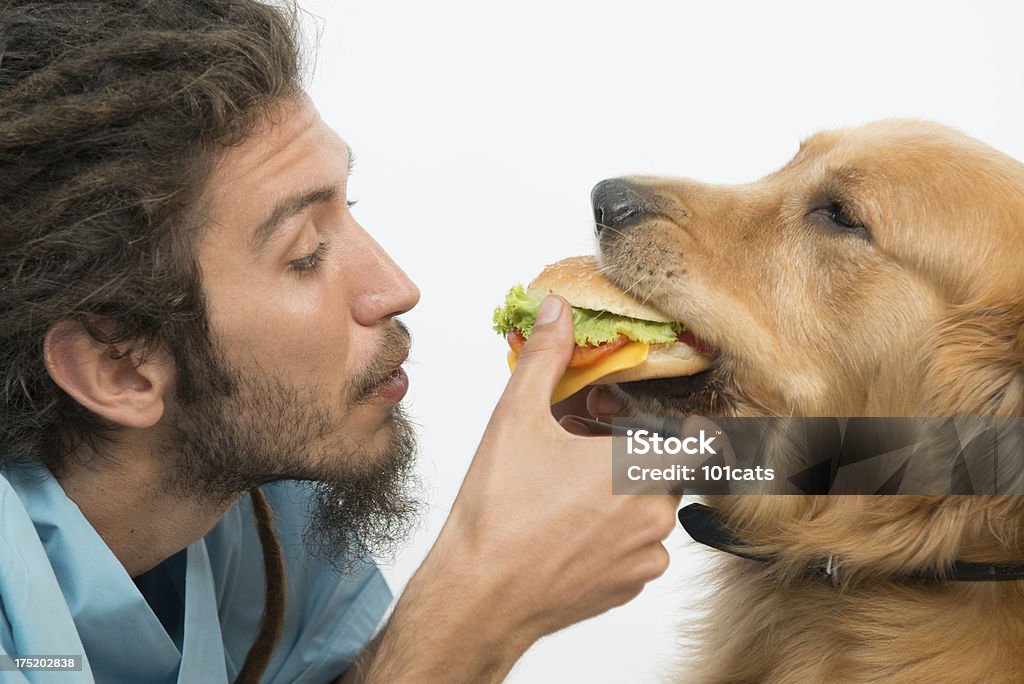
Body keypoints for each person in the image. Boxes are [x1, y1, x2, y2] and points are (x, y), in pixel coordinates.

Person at [0, 2, 680, 682]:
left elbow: (680, 458)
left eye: (347, 209)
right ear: (119, 368)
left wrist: (771, 459)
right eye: (304, 255)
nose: (396, 287)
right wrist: (480, 602)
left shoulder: (254, 512)